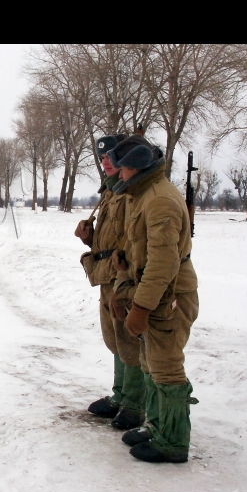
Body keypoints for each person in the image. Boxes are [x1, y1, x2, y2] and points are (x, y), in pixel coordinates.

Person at [107, 137, 199, 463]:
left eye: (124, 169)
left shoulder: (160, 201)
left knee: (166, 367)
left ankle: (172, 442)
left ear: (139, 167)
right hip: (154, 290)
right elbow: (144, 249)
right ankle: (157, 427)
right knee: (150, 364)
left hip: (167, 295)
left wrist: (142, 308)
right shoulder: (144, 194)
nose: (119, 176)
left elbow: (163, 263)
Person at [75, 135, 146, 430]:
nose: (105, 162)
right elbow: (111, 235)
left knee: (129, 338)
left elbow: (134, 239)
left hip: (123, 275)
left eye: (110, 157)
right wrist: (90, 237)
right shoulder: (110, 191)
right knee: (115, 338)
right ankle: (120, 396)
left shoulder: (131, 193)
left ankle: (134, 403)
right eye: (101, 157)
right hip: (106, 273)